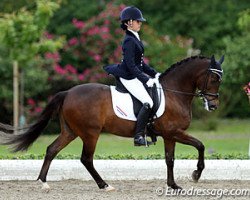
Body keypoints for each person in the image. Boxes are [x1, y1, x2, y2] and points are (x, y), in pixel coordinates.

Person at [104, 6, 160, 146]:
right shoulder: (129, 40)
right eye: (138, 21)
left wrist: (155, 74)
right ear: (129, 23)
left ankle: (149, 131)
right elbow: (130, 65)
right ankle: (138, 137)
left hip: (133, 74)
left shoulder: (135, 37)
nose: (140, 23)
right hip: (128, 76)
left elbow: (140, 63)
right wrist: (145, 79)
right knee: (148, 103)